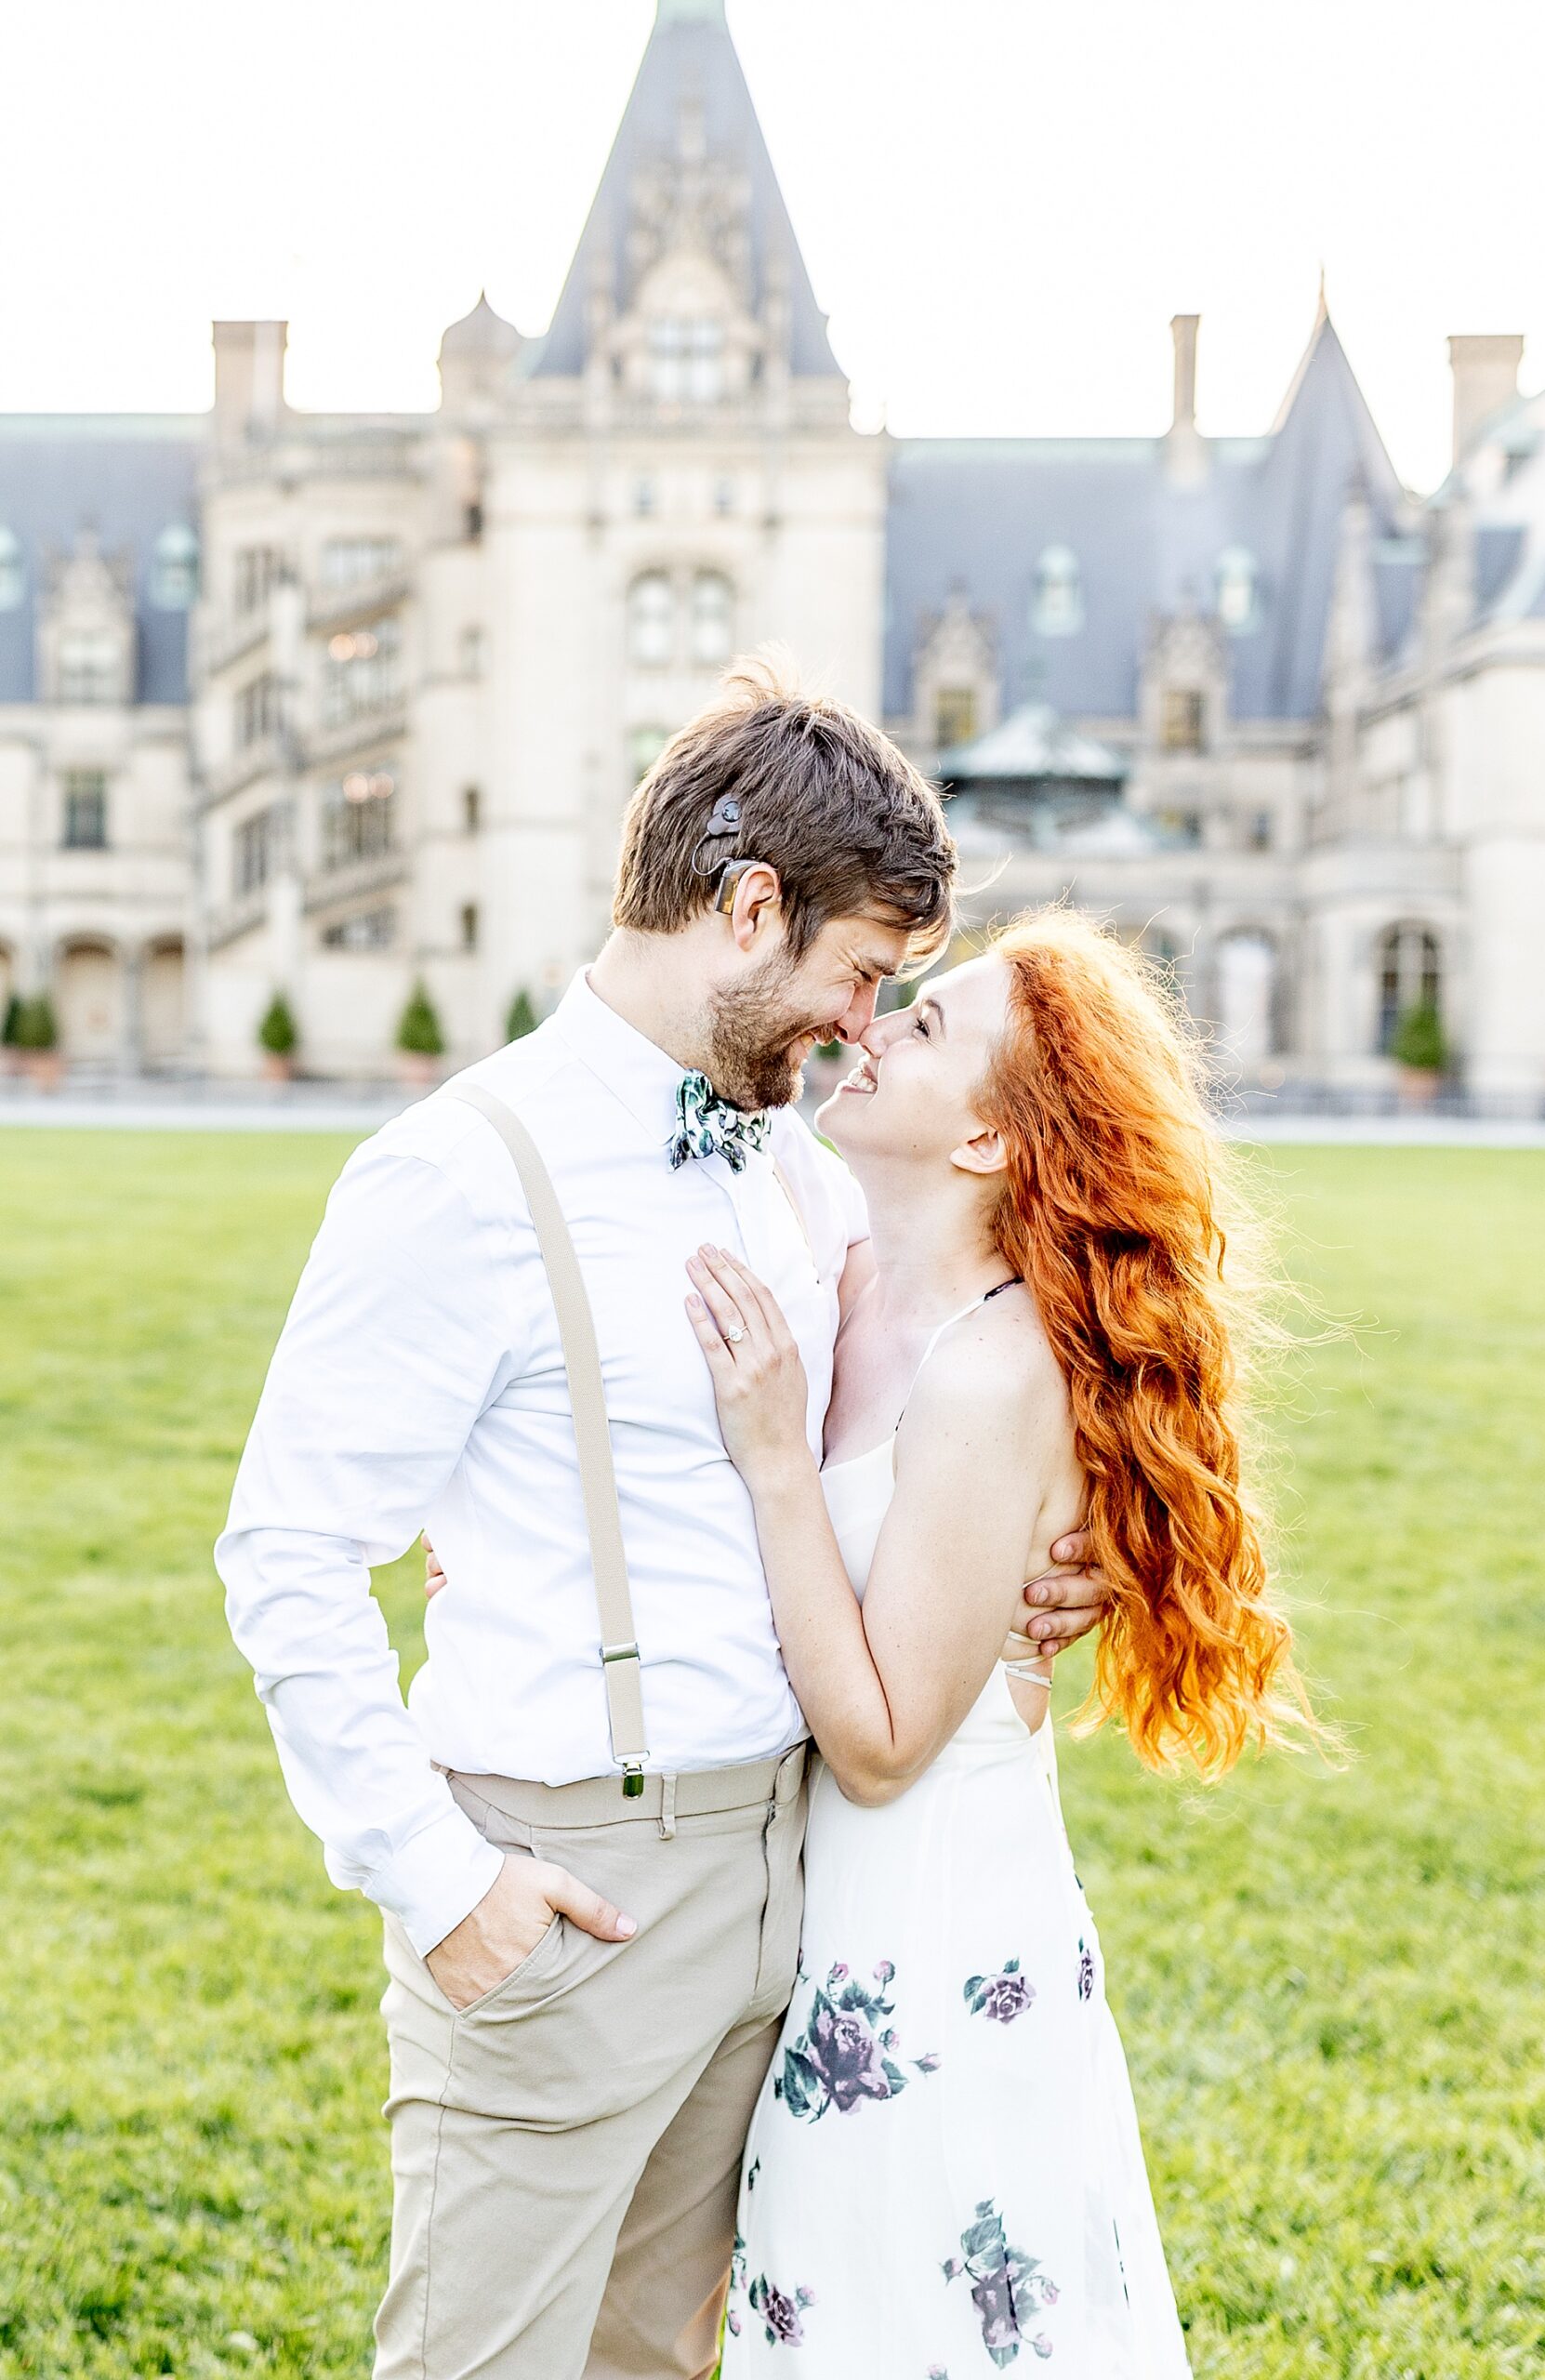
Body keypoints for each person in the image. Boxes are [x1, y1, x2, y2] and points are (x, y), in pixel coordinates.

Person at [217, 659, 1104, 2380]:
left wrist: (1032, 1576)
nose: (864, 1026)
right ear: (747, 905)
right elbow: (289, 1551)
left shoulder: (789, 1162)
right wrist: (439, 1876)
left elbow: (907, 1425)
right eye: (858, 974)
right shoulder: (456, 1174)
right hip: (565, 1884)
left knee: (655, 2364)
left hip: (791, 1887)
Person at [673, 908, 1321, 2376]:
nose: (875, 1025)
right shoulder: (836, 1276)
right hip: (811, 1916)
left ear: (984, 1145)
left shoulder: (991, 1368)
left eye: (926, 1024)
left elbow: (889, 1742)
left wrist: (779, 1459)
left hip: (925, 1938)